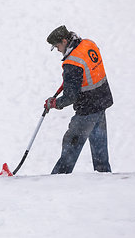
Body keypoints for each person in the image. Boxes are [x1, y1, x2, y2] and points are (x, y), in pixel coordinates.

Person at [44, 25, 113, 174]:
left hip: (87, 108)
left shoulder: (72, 63)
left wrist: (55, 103)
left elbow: (71, 97)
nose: (57, 49)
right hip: (102, 101)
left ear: (64, 40)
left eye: (57, 46)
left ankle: (56, 180)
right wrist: (71, 80)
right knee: (99, 149)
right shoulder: (88, 43)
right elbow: (88, 67)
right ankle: (105, 178)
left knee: (71, 145)